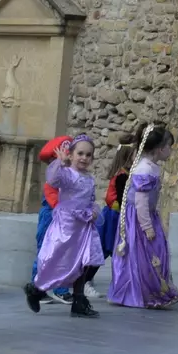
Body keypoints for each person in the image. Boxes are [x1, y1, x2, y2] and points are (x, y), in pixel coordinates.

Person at [26, 135, 104, 318]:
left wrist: (93, 210)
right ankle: (36, 290)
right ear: (71, 154)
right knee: (59, 262)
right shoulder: (67, 174)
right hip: (67, 226)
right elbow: (53, 180)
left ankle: (78, 300)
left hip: (83, 227)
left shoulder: (89, 179)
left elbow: (91, 199)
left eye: (88, 155)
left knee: (85, 263)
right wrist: (59, 164)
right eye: (80, 153)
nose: (84, 158)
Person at [106, 122, 178, 310]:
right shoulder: (145, 169)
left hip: (145, 215)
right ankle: (138, 293)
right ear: (160, 149)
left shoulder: (150, 166)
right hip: (139, 219)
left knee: (150, 254)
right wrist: (147, 226)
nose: (170, 151)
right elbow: (140, 201)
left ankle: (150, 291)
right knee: (143, 255)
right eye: (169, 146)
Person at [31, 133, 72, 303]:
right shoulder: (54, 176)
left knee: (63, 253)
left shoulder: (69, 173)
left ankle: (58, 287)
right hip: (52, 216)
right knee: (45, 252)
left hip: (63, 217)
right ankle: (39, 289)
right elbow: (52, 196)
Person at [98, 135, 134, 260]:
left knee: (106, 248)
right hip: (115, 215)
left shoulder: (122, 173)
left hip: (114, 213)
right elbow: (122, 198)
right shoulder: (123, 176)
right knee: (112, 247)